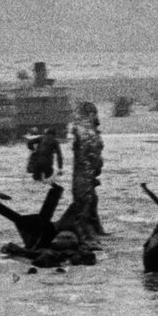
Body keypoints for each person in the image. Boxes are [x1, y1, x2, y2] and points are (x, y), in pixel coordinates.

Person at [55, 103, 105, 247]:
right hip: (84, 174)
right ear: (89, 114)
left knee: (91, 201)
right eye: (94, 113)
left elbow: (93, 153)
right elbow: (85, 154)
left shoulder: (88, 130)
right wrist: (91, 171)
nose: (96, 117)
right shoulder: (84, 131)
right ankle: (86, 238)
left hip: (88, 173)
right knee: (83, 203)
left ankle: (94, 230)